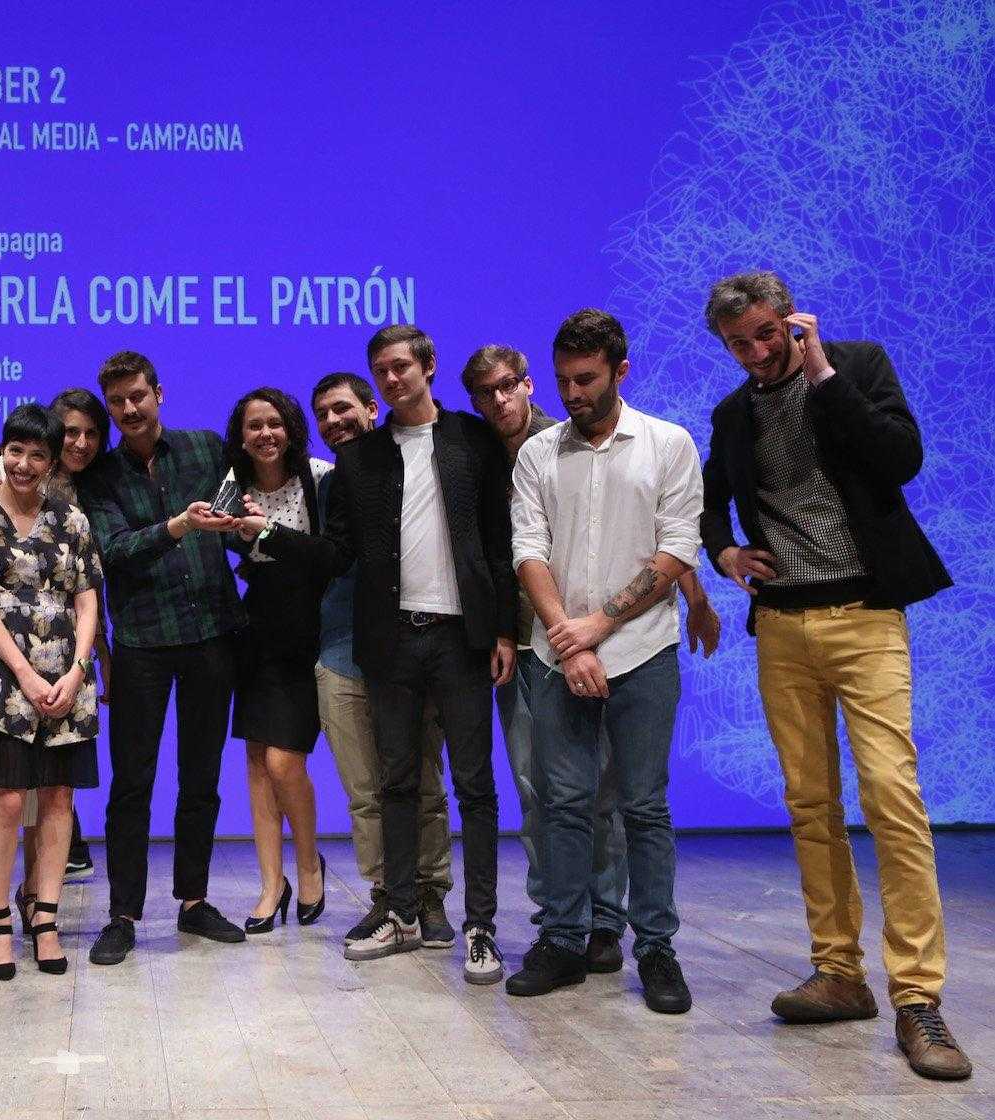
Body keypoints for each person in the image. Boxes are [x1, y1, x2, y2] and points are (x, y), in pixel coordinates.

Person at [700, 271, 970, 1080]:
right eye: (737, 344)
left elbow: (899, 458)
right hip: (782, 625)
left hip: (864, 614)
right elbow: (709, 504)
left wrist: (821, 375)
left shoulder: (855, 368)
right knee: (809, 802)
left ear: (792, 322)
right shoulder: (732, 413)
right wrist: (723, 552)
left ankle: (916, 997)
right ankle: (838, 973)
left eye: (764, 335)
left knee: (891, 795)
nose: (755, 354)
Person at [256, 325, 515, 984]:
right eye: (382, 370)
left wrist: (504, 631)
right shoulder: (360, 460)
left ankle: (480, 926)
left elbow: (497, 541)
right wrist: (268, 534)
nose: (392, 379)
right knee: (396, 783)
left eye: (401, 366)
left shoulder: (472, 440)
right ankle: (400, 910)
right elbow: (338, 553)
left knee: (474, 787)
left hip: (461, 639)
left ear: (428, 366)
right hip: (391, 642)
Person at [462, 344, 721, 973]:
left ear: (527, 384)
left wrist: (694, 598)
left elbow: (665, 537)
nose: (499, 399)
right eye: (485, 392)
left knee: (622, 799)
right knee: (550, 797)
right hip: (534, 644)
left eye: (508, 385)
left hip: (613, 641)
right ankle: (562, 925)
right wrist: (547, 636)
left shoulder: (605, 440)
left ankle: (619, 928)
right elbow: (515, 553)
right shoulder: (485, 454)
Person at [505, 309, 701, 1015]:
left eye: (585, 379)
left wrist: (599, 626)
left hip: (643, 652)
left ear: (620, 371)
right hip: (558, 657)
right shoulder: (537, 454)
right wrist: (570, 638)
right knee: (562, 804)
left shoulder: (668, 444)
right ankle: (562, 939)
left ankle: (655, 950)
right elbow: (527, 550)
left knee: (643, 806)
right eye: (562, 380)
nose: (572, 393)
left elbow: (677, 548)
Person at [79, 350, 248, 964]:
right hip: (142, 642)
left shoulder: (205, 448)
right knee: (132, 783)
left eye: (138, 396)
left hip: (211, 633)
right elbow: (114, 550)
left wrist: (240, 524)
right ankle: (123, 913)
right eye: (118, 402)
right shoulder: (100, 475)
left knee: (201, 777)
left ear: (159, 393)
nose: (129, 409)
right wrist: (179, 526)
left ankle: (193, 901)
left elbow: (241, 506)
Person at [0, 388, 112, 953]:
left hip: (66, 679)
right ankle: (0, 921)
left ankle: (46, 919)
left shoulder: (72, 519)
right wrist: (24, 673)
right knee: (6, 797)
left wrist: (78, 670)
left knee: (58, 798)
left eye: (38, 455)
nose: (25, 464)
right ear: (2, 451)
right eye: (16, 450)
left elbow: (88, 598)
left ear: (53, 462)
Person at [306, 373, 458, 951]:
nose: (333, 421)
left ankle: (430, 893)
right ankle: (388, 897)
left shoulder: (413, 470)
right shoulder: (324, 486)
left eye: (342, 408)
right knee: (366, 792)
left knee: (423, 782)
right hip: (339, 655)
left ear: (372, 408)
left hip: (407, 654)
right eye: (323, 414)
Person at [227, 388, 331, 932]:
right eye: (254, 426)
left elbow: (332, 555)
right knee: (256, 763)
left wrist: (268, 532)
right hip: (256, 630)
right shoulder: (231, 486)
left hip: (310, 630)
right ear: (241, 437)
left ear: (290, 428)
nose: (265, 434)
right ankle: (272, 884)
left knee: (284, 762)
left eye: (274, 423)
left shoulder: (320, 477)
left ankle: (309, 864)